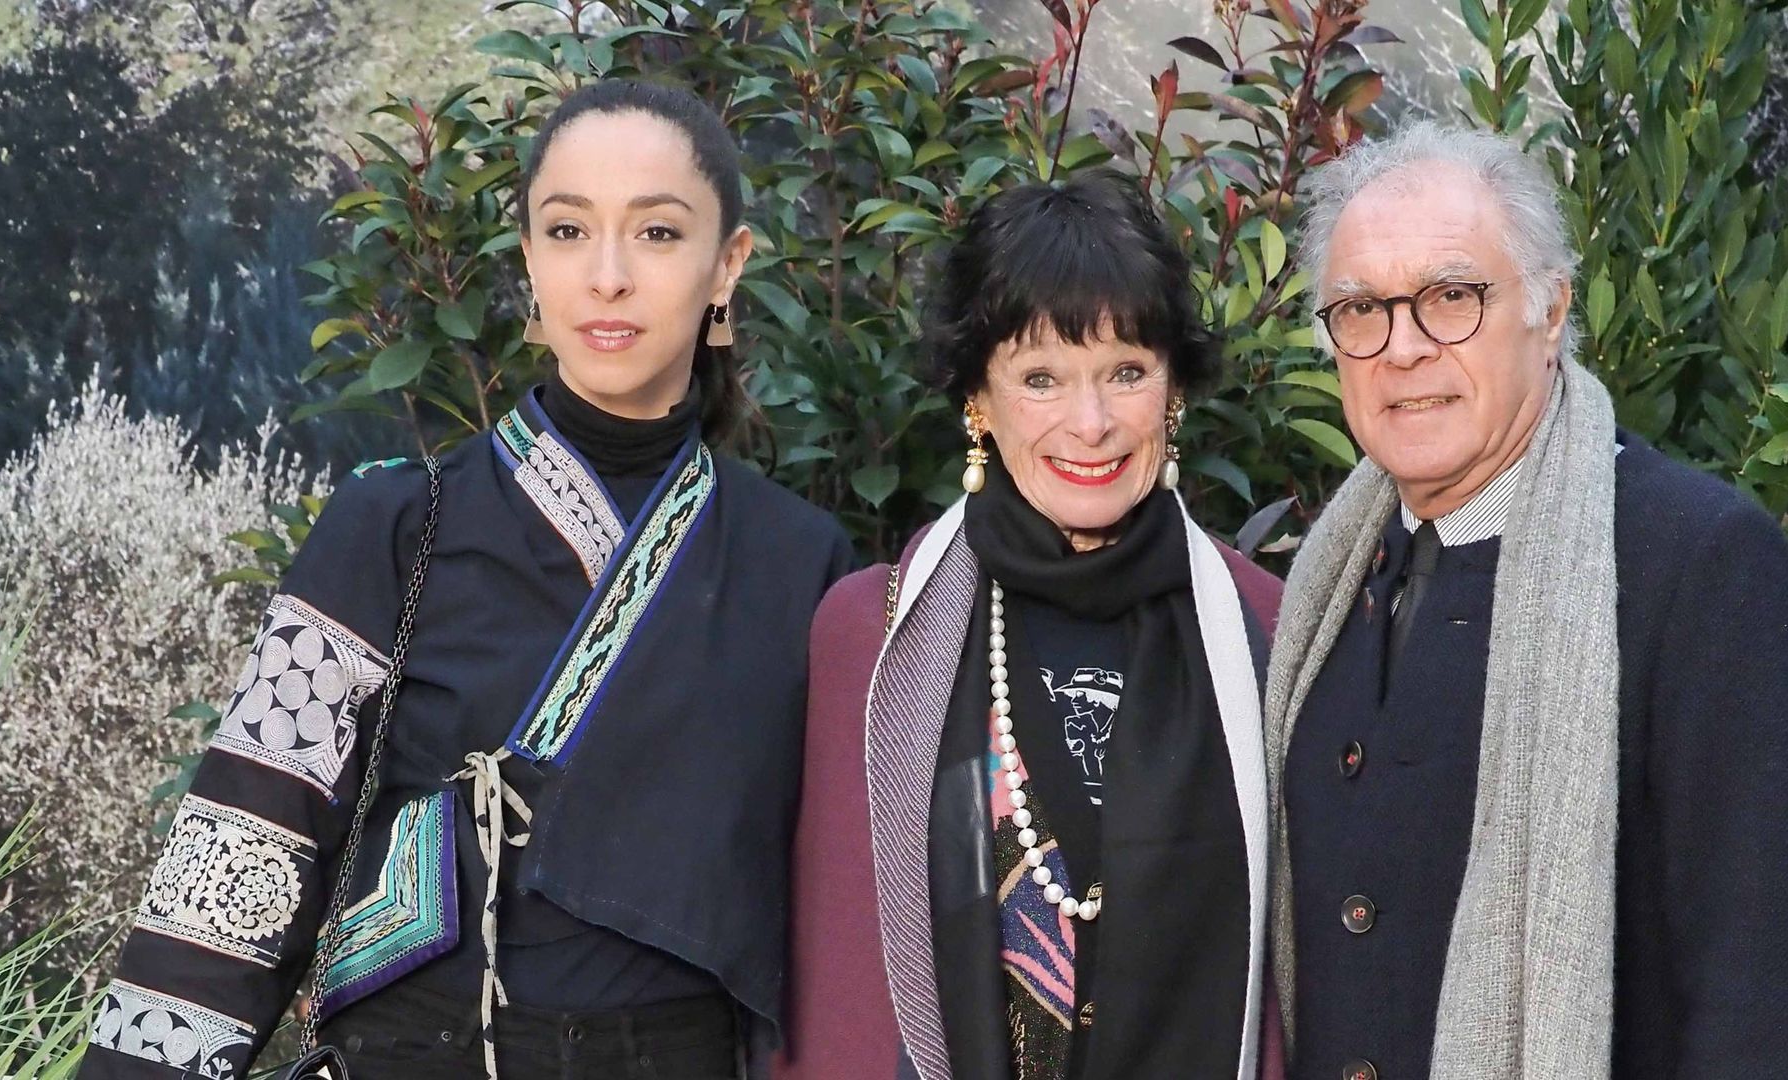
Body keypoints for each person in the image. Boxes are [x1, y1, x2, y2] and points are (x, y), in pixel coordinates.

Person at [81, 79, 854, 1080]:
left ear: (728, 265)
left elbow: (831, 917)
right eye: (568, 231)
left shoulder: (800, 564)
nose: (608, 276)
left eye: (658, 234)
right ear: (529, 258)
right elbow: (243, 852)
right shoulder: (394, 525)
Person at [1263, 121, 1788, 1080]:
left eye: (1452, 297)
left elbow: (1770, 1005)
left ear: (1550, 310)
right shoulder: (1329, 585)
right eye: (1361, 308)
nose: (1401, 347)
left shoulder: (1699, 566)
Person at [775, 169, 1285, 1080]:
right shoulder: (870, 637)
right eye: (1041, 377)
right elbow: (837, 980)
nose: (1090, 424)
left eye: (1125, 372)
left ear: (1173, 391)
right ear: (979, 399)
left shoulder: (1266, 630)